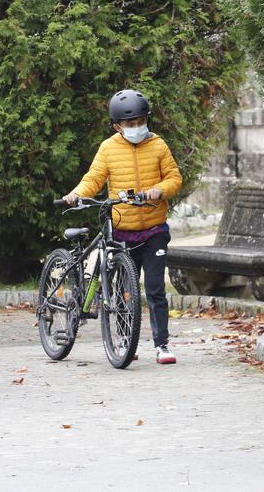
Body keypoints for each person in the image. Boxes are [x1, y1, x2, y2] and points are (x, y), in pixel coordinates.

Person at [62, 89, 183, 364]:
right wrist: (76, 193)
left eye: (141, 122)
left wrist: (159, 190)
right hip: (122, 231)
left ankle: (162, 345)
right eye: (130, 125)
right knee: (122, 291)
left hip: (154, 230)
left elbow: (175, 178)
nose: (137, 128)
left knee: (154, 288)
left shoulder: (158, 145)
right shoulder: (108, 148)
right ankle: (125, 341)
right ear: (118, 126)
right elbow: (93, 178)